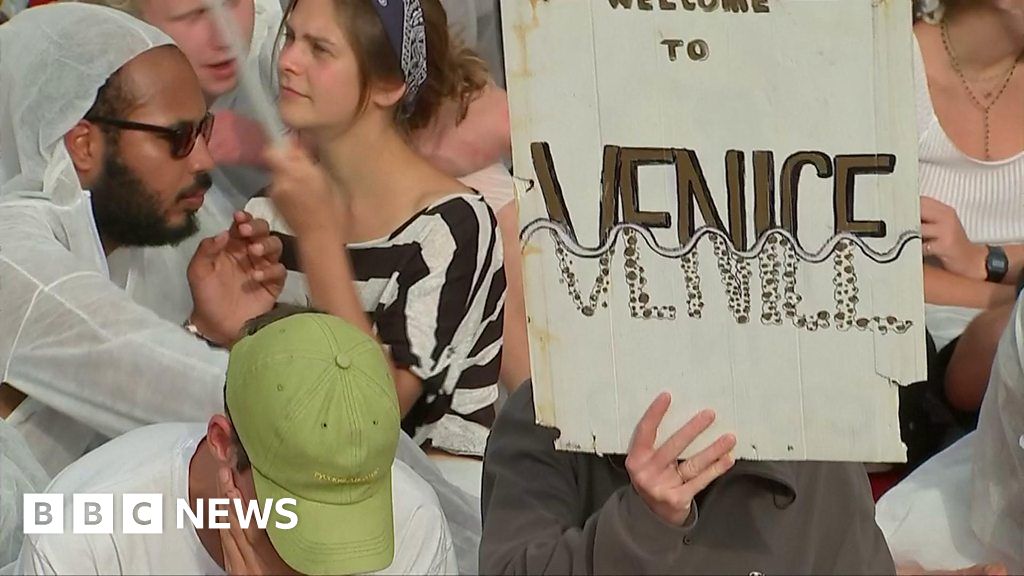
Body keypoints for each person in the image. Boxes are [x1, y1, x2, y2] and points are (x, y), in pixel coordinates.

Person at [0, 3, 285, 477]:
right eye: (177, 137)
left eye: (204, 130)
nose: (204, 161)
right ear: (83, 144)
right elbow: (167, 383)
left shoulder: (137, 241)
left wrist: (205, 327)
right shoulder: (13, 259)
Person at [17, 310, 458, 575]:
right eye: (292, 513)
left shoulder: (412, 520)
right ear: (223, 444)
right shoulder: (85, 531)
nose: (322, 565)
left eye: (354, 513)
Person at [259, 0, 506, 459]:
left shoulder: (452, 227)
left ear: (389, 84)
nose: (288, 61)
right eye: (291, 37)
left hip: (426, 509)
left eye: (320, 49)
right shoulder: (273, 210)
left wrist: (317, 239)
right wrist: (213, 323)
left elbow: (374, 415)